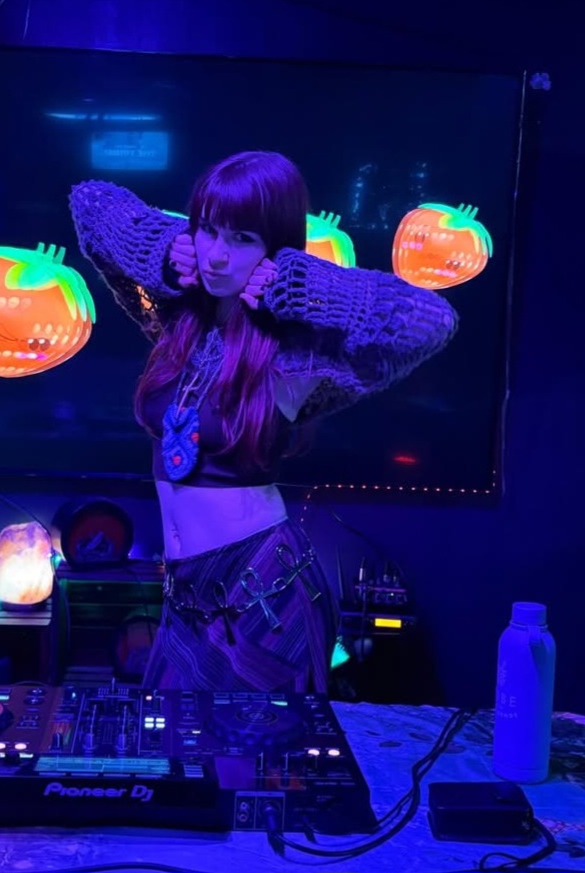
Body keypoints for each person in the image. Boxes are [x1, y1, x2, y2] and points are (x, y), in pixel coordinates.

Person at [69, 151, 457, 693]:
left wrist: (305, 282)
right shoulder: (180, 320)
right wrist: (162, 244)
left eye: (243, 238)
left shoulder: (292, 350)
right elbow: (89, 202)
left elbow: (432, 320)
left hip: (262, 592)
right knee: (174, 738)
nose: (217, 256)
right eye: (208, 230)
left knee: (258, 749)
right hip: (185, 594)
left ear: (275, 248)